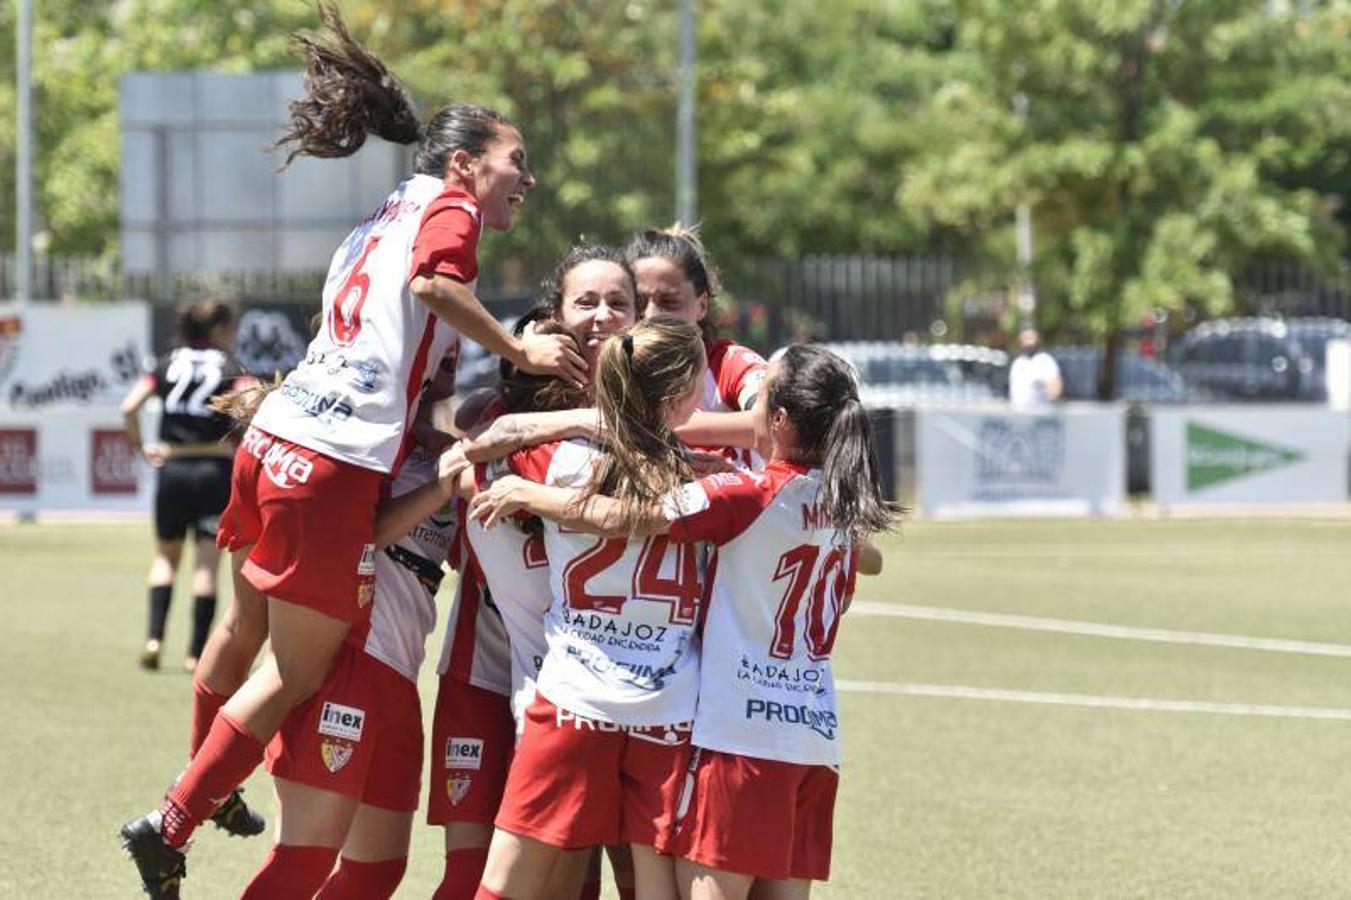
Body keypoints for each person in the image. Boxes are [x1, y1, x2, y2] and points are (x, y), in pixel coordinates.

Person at [118, 6, 583, 897]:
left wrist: (481, 412)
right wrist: (521, 354)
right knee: (295, 672)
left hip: (281, 438)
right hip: (332, 461)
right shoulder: (450, 212)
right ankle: (172, 816)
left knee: (240, 625)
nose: (526, 177)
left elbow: (403, 356)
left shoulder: (373, 218)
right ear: (464, 163)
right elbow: (435, 286)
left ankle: (207, 783)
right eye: (516, 160)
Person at [469, 344, 897, 900]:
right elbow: (873, 559)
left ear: (781, 419)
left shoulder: (745, 494)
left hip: (743, 737)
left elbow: (633, 516)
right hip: (814, 736)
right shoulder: (839, 508)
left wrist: (532, 494)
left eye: (761, 394)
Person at [464, 317, 707, 900]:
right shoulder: (706, 478)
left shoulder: (557, 461)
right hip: (669, 707)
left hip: (574, 695)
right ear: (676, 401)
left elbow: (480, 442)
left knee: (505, 882)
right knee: (651, 883)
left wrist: (570, 433)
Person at [426, 246, 638, 900]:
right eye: (585, 304)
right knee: (509, 875)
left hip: (615, 691)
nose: (601, 318)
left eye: (618, 304)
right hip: (530, 677)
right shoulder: (522, 436)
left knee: (599, 876)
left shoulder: (636, 429)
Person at [121, 299, 251, 673]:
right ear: (218, 330)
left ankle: (154, 639)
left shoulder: (165, 363)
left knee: (165, 558)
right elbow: (252, 402)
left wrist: (142, 447)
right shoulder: (229, 365)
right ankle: (195, 654)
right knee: (206, 567)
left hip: (173, 469)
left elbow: (130, 407)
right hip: (214, 470)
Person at [626, 225, 769, 464]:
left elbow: (775, 423)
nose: (650, 315)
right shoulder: (612, 363)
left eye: (669, 302)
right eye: (639, 301)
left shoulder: (729, 363)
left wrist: (646, 424)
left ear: (702, 305)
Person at [1008, 327, 1062, 408]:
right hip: (1017, 415)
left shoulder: (1045, 360)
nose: (1028, 342)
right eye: (1025, 338)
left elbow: (1055, 388)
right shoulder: (1018, 362)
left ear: (1038, 340)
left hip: (1038, 414)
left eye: (1030, 338)